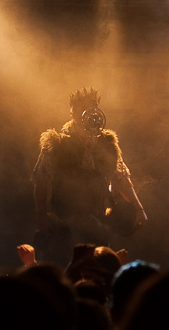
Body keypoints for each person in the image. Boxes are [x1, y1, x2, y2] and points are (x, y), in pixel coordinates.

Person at [31, 88, 146, 265]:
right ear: (73, 112)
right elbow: (41, 179)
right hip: (64, 223)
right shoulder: (57, 144)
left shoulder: (106, 144)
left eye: (93, 106)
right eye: (84, 107)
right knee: (64, 269)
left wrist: (139, 209)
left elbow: (120, 177)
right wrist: (41, 214)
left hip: (97, 224)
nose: (90, 111)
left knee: (96, 271)